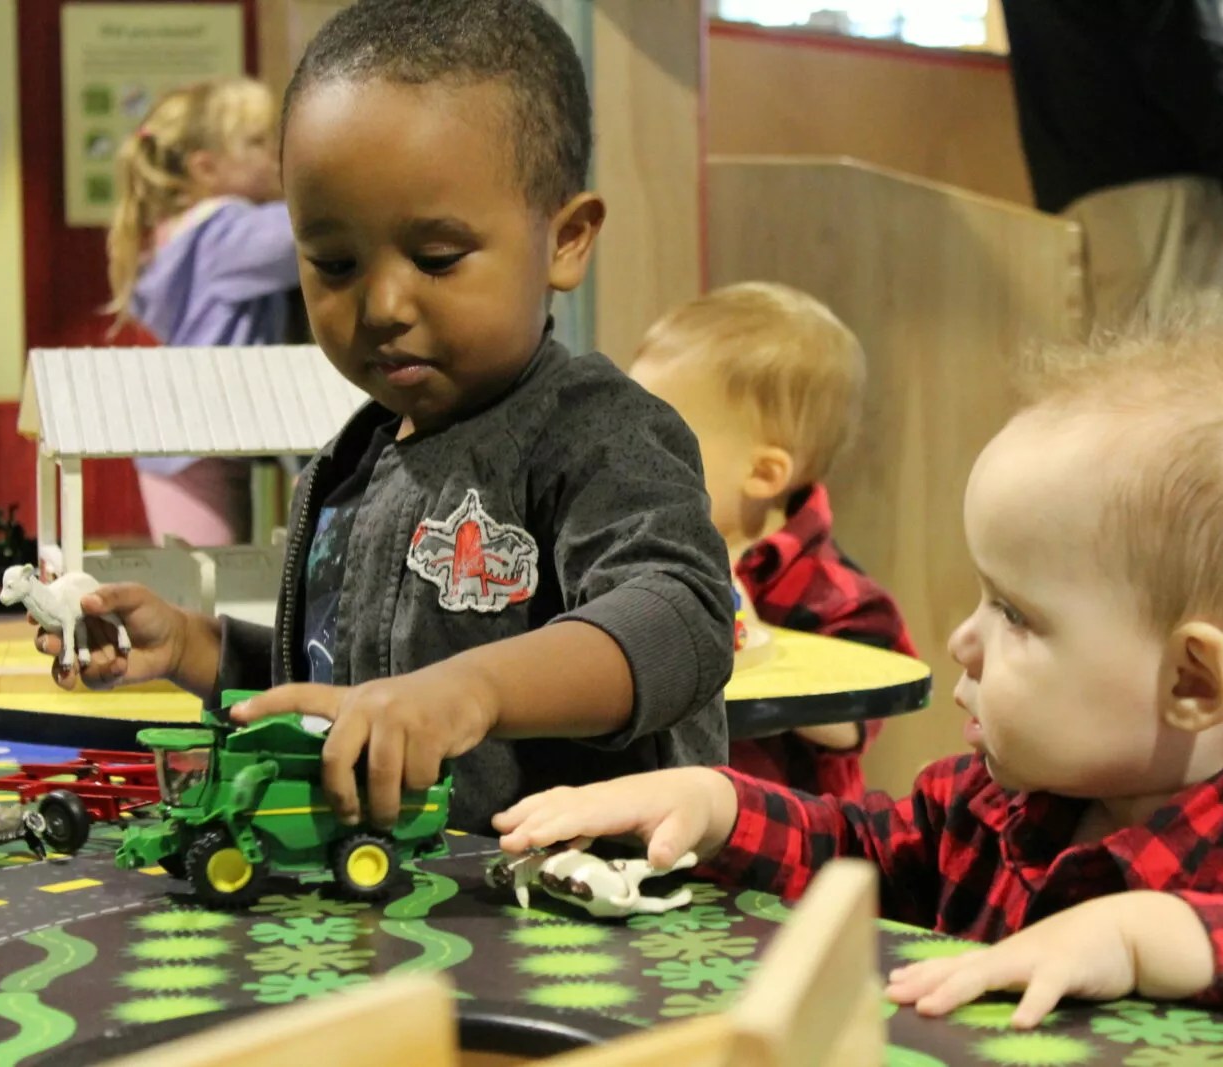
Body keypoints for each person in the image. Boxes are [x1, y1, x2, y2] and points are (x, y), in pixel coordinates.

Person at [496, 317, 1223, 1057]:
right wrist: (713, 802)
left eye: (1017, 614)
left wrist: (1152, 935)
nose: (963, 637)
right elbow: (869, 852)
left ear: (1192, 679)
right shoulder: (1001, 801)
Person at [42, 0, 733, 834]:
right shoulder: (352, 462)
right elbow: (347, 680)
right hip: (397, 915)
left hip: (575, 913)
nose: (382, 303)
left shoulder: (598, 432)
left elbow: (681, 619)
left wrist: (470, 693)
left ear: (566, 240)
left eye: (437, 257)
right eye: (334, 262)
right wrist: (193, 648)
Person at [629, 283, 916, 801]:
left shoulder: (832, 592)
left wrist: (765, 647)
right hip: (652, 806)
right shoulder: (637, 547)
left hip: (779, 832)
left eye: (658, 442)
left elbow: (859, 717)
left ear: (763, 473)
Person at [997, 0, 1223, 334]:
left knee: (1115, 369)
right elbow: (1179, 27)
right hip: (1160, 180)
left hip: (1077, 183)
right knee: (1181, 372)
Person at [105, 77, 298, 548]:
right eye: (256, 142)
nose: (274, 151)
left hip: (189, 430)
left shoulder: (181, 236)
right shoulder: (224, 234)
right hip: (195, 430)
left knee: (208, 577)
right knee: (207, 582)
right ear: (206, 168)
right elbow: (306, 232)